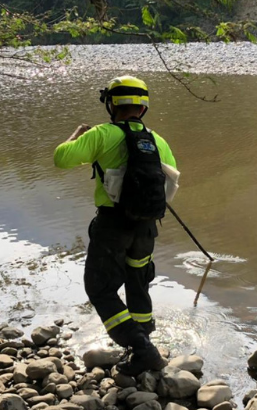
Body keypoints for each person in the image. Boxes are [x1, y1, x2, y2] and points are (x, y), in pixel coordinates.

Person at [53, 75, 177, 376]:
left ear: (111, 103)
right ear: (143, 107)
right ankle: (144, 335)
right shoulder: (157, 140)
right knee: (138, 280)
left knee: (100, 288)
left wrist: (75, 135)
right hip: (147, 227)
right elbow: (172, 180)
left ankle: (142, 350)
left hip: (112, 226)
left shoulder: (101, 135)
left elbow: (61, 159)